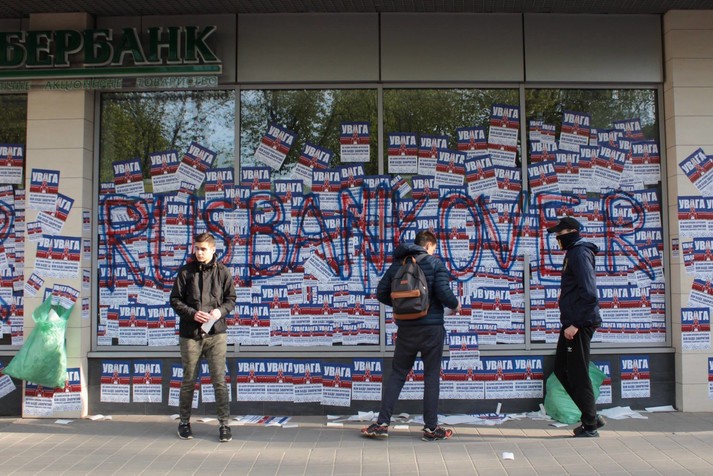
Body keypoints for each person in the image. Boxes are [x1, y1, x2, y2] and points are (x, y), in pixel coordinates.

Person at [362, 230, 460, 441]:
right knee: (431, 377)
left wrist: (403, 306)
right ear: (428, 246)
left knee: (397, 374)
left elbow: (381, 293)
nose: (433, 251)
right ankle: (431, 428)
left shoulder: (398, 264)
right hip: (432, 329)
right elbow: (444, 293)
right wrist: (456, 305)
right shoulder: (435, 264)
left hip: (406, 329)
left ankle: (382, 424)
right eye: (433, 248)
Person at [170, 233, 236, 442]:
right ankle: (184, 422)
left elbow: (231, 299)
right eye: (196, 249)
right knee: (189, 380)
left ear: (213, 250)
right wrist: (192, 314)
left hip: (216, 334)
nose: (199, 253)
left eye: (203, 249)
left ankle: (224, 425)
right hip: (190, 335)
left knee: (219, 381)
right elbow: (175, 300)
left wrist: (219, 311)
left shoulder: (223, 272)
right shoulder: (185, 272)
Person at [547, 216, 605, 437]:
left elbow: (589, 292)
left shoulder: (579, 253)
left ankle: (590, 425)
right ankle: (591, 416)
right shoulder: (573, 253)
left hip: (578, 324)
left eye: (560, 234)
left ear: (572, 232)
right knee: (562, 369)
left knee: (578, 373)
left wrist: (576, 324)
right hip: (571, 322)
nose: (557, 238)